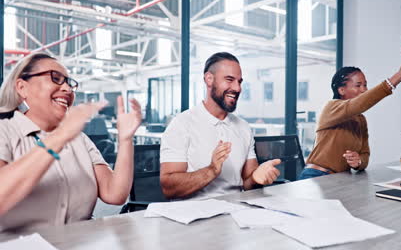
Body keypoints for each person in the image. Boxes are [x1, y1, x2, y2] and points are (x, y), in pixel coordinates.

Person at [0, 52, 142, 231]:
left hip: (78, 242)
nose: (67, 89)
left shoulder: (79, 139)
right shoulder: (4, 129)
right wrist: (60, 136)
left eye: (69, 82)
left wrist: (125, 139)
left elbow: (115, 194)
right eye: (56, 78)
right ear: (22, 87)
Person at [160, 52, 281, 200]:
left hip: (237, 211)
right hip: (194, 215)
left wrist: (256, 178)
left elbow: (248, 184)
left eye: (239, 82)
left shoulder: (243, 127)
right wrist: (212, 170)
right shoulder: (181, 124)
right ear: (209, 79)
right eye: (229, 80)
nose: (237, 88)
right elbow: (168, 187)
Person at [299, 38, 401, 179]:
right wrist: (399, 75)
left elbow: (365, 154)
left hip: (341, 179)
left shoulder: (361, 120)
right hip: (316, 176)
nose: (364, 90)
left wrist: (358, 161)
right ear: (342, 90)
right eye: (358, 85)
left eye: (365, 85)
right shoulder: (331, 107)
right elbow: (358, 104)